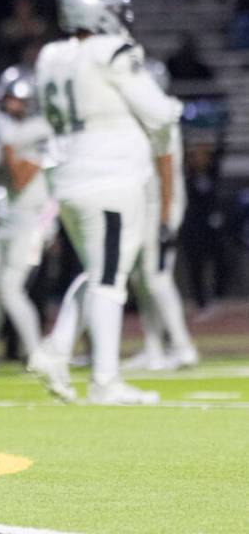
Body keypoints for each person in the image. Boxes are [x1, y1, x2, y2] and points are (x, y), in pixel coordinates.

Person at [27, 0, 182, 406]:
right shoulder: (114, 51)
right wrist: (174, 110)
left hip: (69, 176)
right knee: (111, 279)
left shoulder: (50, 55)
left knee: (98, 271)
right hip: (111, 175)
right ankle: (105, 380)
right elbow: (157, 112)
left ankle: (55, 350)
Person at [0, 66, 56, 369]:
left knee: (10, 288)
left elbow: (20, 177)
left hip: (34, 222)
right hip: (8, 219)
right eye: (7, 100)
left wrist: (7, 145)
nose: (10, 106)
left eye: (16, 100)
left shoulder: (42, 133)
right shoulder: (12, 133)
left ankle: (36, 353)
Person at [124, 59, 198, 371]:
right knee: (142, 279)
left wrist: (166, 216)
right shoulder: (148, 118)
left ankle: (183, 347)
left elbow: (166, 170)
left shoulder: (159, 119)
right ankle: (154, 347)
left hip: (160, 205)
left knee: (157, 278)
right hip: (148, 204)